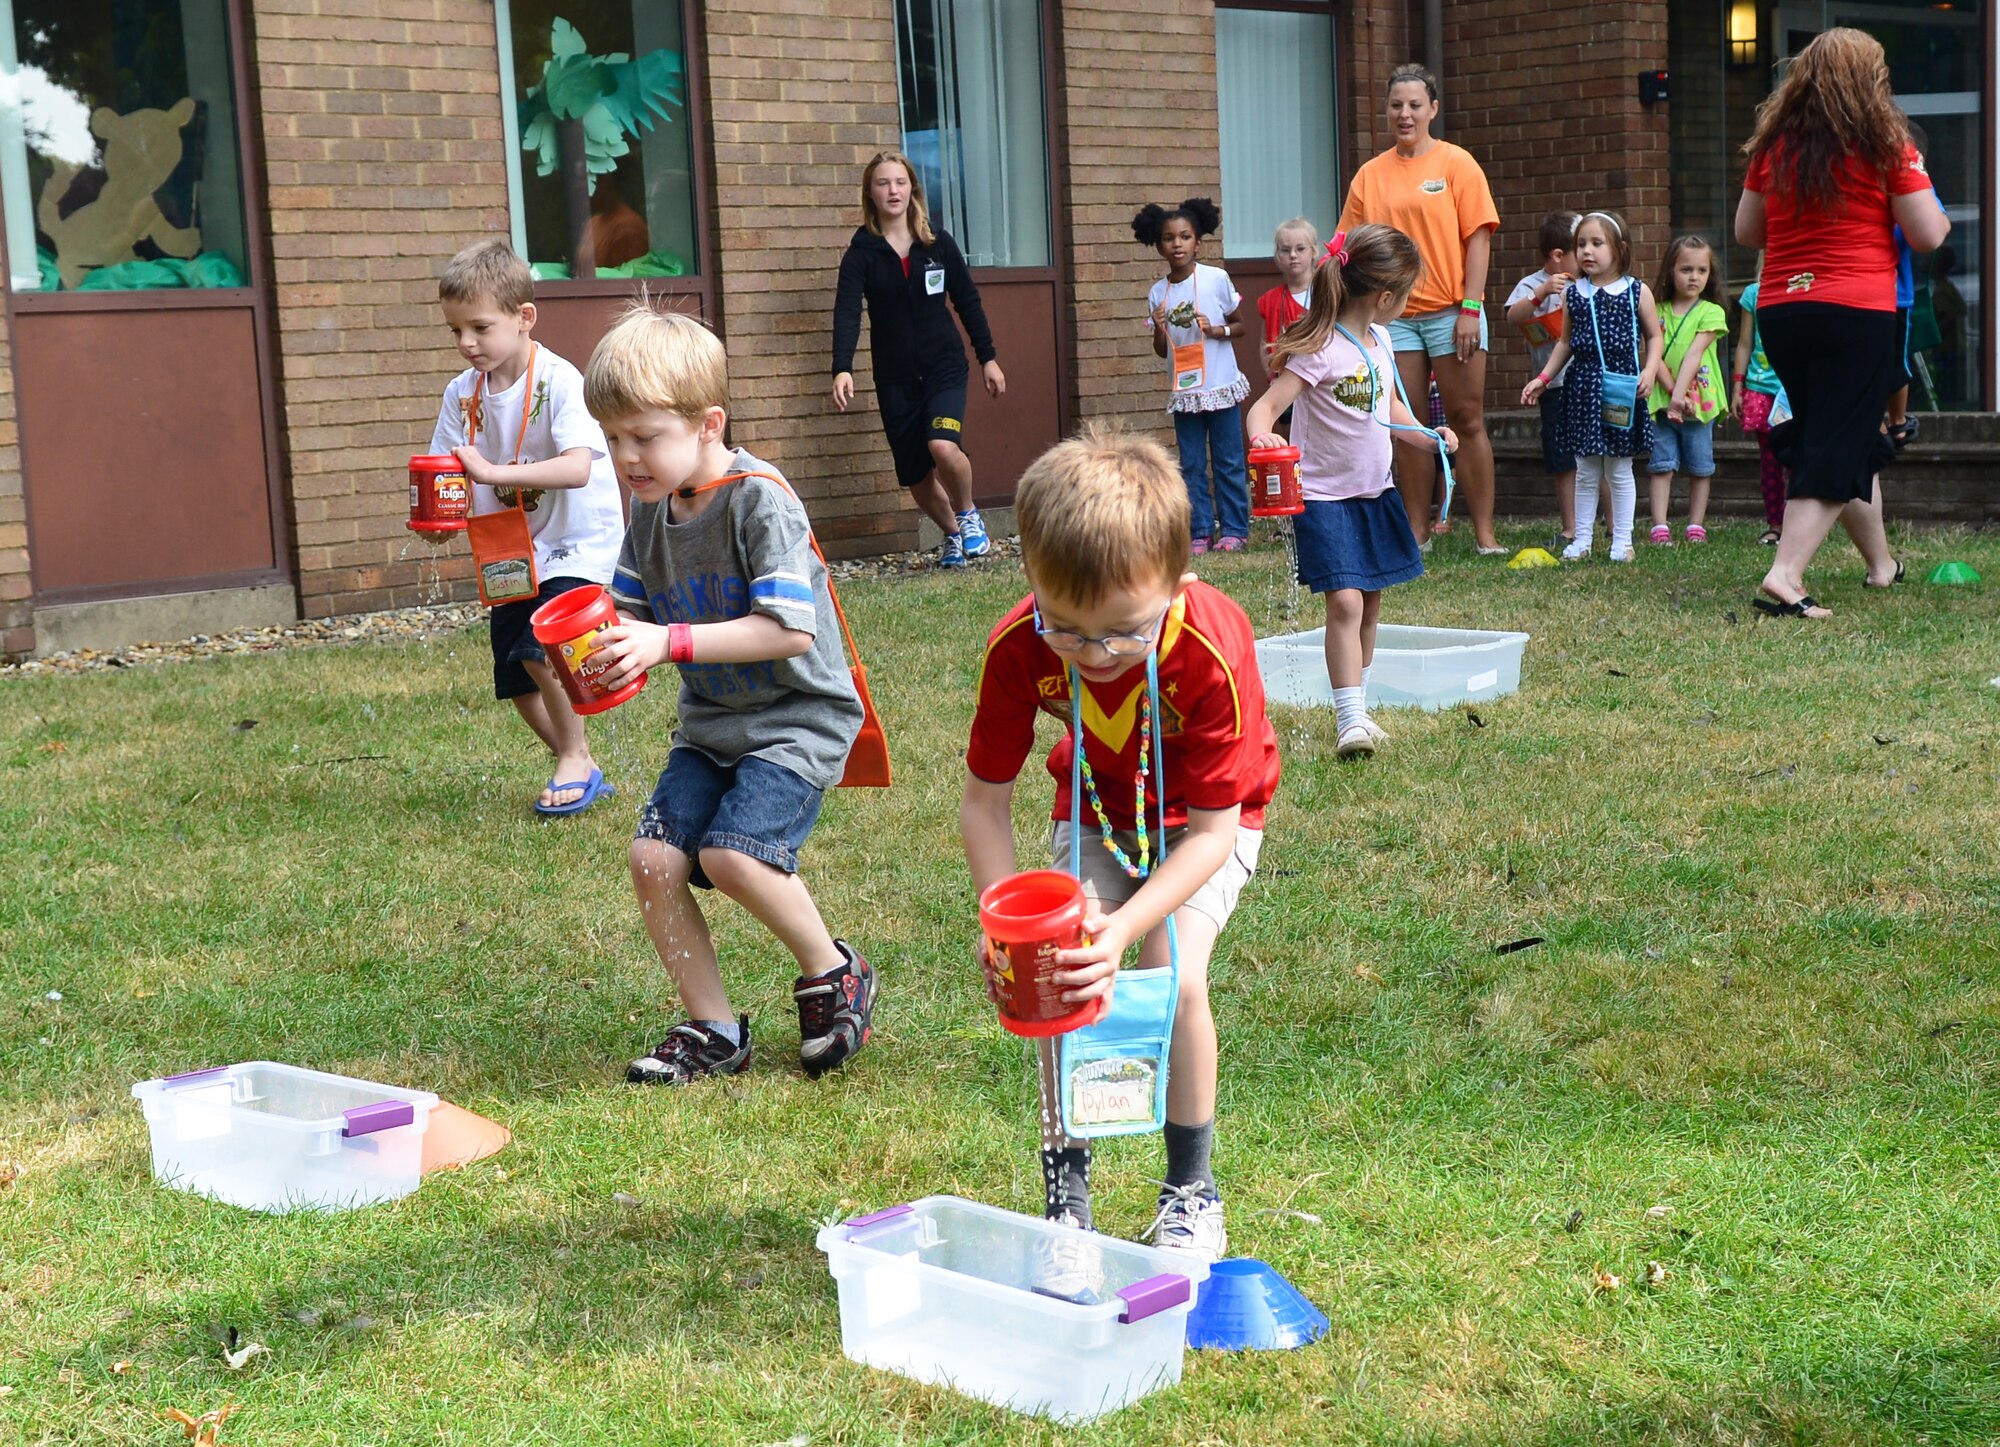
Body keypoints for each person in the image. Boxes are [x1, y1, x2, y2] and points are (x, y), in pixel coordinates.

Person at [960, 425, 1281, 1274]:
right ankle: (1066, 1207)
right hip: (1098, 810)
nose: (1094, 655)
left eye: (1122, 633)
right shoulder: (1017, 643)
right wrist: (1009, 933)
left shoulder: (1212, 646)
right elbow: (983, 805)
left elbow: (1213, 833)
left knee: (1172, 978)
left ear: (1182, 582)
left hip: (1207, 823)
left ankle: (1191, 1193)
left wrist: (1123, 926)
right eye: (1066, 629)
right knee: (1055, 984)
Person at [583, 306, 877, 1085]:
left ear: (709, 423)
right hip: (712, 726)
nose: (627, 457)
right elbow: (631, 611)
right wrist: (594, 645)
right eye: (614, 438)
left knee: (733, 853)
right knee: (652, 857)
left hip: (796, 722)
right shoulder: (651, 510)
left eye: (644, 436)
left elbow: (788, 631)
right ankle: (713, 1026)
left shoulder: (761, 500)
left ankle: (834, 971)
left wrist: (668, 643)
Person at [1736, 27, 1946, 618]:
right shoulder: (1887, 145)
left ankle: (1881, 566)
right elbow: (1929, 234)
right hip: (1854, 310)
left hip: (1783, 309)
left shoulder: (1775, 146)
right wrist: (1917, 174)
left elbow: (1749, 233)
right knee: (1838, 438)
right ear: (1871, 81)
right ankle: (1786, 573)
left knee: (1838, 434)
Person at [429, 238, 626, 816]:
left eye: (480, 328)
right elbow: (449, 470)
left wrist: (491, 471)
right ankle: (581, 761)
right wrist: (441, 515)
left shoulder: (561, 382)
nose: (467, 344)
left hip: (574, 541)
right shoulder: (461, 395)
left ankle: (571, 757)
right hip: (510, 547)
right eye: (455, 331)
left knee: (542, 648)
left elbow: (578, 465)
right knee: (515, 675)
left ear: (524, 318)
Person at [1245, 225, 1452, 759]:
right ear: (1385, 296)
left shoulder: (1380, 341)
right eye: (1406, 295)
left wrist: (1429, 439)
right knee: (1344, 602)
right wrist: (1264, 437)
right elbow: (1263, 409)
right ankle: (1350, 721)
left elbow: (1390, 412)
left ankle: (1359, 707)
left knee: (1371, 603)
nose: (1407, 304)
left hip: (1374, 492)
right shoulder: (1318, 347)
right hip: (1321, 496)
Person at [1337, 63, 1502, 555]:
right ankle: (1416, 532)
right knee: (1405, 424)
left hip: (1454, 312)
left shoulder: (1457, 163)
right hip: (1391, 321)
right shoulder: (1370, 175)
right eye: (1395, 105)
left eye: (1414, 105)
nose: (1404, 114)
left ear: (1432, 109)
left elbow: (1478, 239)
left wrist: (1471, 307)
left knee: (1467, 418)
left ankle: (1485, 534)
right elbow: (1345, 246)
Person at [832, 150, 1006, 571]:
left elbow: (967, 301)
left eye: (900, 182)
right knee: (916, 475)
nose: (893, 190)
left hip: (944, 366)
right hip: (895, 378)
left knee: (943, 445)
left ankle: (967, 515)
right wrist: (842, 366)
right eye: (883, 183)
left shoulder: (937, 243)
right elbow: (848, 311)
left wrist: (989, 358)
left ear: (912, 189)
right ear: (870, 194)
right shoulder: (862, 253)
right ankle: (951, 537)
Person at [1520, 211, 1663, 563]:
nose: (1587, 251)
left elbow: (1655, 335)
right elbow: (1565, 343)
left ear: (1620, 249)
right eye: (1581, 244)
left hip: (1621, 389)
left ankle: (1622, 542)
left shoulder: (1636, 291)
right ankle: (1582, 539)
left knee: (1618, 468)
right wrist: (1543, 378)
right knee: (1585, 469)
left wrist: (1650, 370)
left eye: (1597, 243)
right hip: (1583, 390)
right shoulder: (1575, 294)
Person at [1135, 197, 1253, 554]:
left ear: (1198, 242)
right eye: (1169, 238)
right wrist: (1157, 327)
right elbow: (1162, 349)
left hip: (1219, 385)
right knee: (1190, 464)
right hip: (1184, 390)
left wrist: (1217, 331)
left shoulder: (1216, 279)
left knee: (1229, 460)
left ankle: (1235, 528)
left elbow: (1241, 326)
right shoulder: (1158, 292)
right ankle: (1199, 530)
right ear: (1159, 246)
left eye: (1185, 237)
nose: (1178, 244)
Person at [1505, 211, 1583, 549]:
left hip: (1588, 382)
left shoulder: (1589, 283)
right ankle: (1571, 528)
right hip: (1553, 385)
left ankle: (1612, 523)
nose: (1590, 255)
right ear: (1558, 256)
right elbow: (1512, 315)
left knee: (1600, 453)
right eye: (1582, 248)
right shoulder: (1531, 284)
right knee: (1562, 456)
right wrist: (1541, 293)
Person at [1645, 236, 1730, 546]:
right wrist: (1672, 396)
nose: (1694, 277)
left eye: (1701, 270)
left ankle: (1696, 525)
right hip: (1662, 400)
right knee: (1661, 464)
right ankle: (1659, 526)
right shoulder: (1656, 310)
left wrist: (1681, 398)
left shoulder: (1712, 311)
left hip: (1698, 402)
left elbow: (1694, 355)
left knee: (1700, 466)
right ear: (1670, 271)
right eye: (1685, 269)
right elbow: (1654, 357)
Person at [1733, 277, 1787, 545]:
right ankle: (1776, 525)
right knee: (1770, 460)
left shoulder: (1804, 288)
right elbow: (1744, 343)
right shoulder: (1753, 293)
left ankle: (1801, 526)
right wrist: (1737, 386)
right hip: (1761, 389)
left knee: (1799, 458)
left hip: (1795, 389)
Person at [1255, 218, 1318, 377]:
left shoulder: (1325, 293)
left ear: (1314, 252)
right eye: (1285, 250)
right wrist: (1271, 375)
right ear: (1277, 254)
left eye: (1300, 249)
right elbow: (1264, 343)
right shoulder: (1270, 300)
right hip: (1283, 382)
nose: (1293, 255)